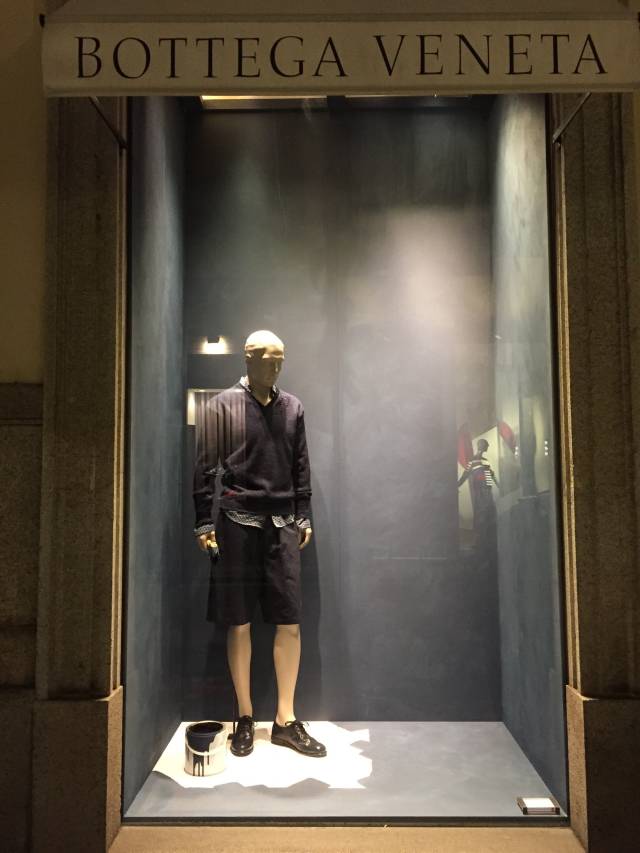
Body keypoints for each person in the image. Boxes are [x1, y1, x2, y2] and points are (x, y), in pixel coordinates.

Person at [193, 329, 326, 758]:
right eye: (269, 360)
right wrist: (203, 520)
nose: (276, 367)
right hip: (236, 521)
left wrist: (303, 513)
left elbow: (301, 465)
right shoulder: (221, 406)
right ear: (248, 359)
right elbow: (205, 468)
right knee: (239, 621)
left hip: (283, 523)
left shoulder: (293, 408)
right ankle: (246, 716)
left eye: (281, 360)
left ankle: (285, 719)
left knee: (289, 620)